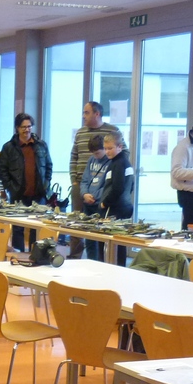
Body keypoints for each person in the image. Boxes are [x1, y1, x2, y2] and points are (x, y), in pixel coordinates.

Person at [0, 112, 53, 251]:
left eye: (29, 126)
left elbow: (49, 166)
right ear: (17, 128)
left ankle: (35, 254)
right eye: (23, 127)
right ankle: (18, 255)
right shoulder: (9, 147)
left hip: (38, 194)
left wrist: (46, 184)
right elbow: (2, 169)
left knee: (37, 227)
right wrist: (10, 187)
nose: (27, 129)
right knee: (18, 228)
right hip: (18, 194)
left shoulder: (41, 145)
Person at [70, 101, 118, 258]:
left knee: (98, 230)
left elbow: (122, 154)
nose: (83, 116)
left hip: (102, 190)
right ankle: (75, 257)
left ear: (97, 114)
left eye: (86, 112)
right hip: (82, 184)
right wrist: (74, 181)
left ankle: (101, 260)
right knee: (77, 224)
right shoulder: (80, 133)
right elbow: (73, 156)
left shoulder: (112, 131)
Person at [99, 129, 135, 266]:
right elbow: (130, 187)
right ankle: (119, 267)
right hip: (125, 207)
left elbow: (118, 188)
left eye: (110, 148)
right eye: (105, 148)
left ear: (119, 147)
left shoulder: (118, 164)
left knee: (110, 243)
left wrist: (105, 203)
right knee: (120, 243)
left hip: (114, 209)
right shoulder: (124, 162)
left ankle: (109, 268)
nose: (107, 152)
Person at [80, 134, 108, 261]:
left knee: (101, 238)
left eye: (97, 153)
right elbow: (84, 180)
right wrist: (84, 194)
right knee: (89, 238)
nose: (95, 156)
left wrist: (95, 196)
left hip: (100, 204)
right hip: (88, 203)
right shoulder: (91, 160)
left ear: (104, 149)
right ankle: (90, 260)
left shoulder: (110, 162)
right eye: (93, 153)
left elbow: (108, 186)